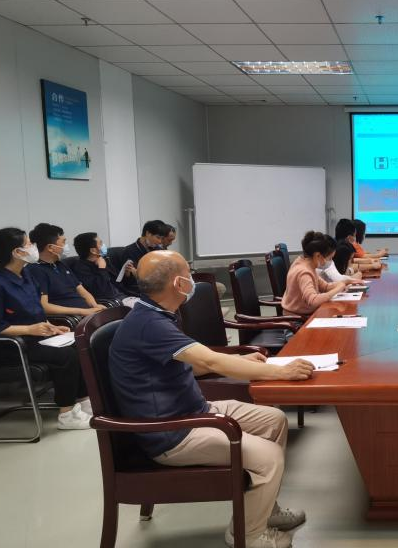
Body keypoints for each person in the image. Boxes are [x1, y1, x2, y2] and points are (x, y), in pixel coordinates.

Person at [109, 250, 312, 547]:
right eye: (188, 274)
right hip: (172, 433)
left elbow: (191, 364)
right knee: (269, 458)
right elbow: (211, 361)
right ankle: (247, 535)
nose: (192, 279)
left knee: (274, 420)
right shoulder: (149, 324)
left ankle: (264, 510)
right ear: (178, 284)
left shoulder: (157, 314)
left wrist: (243, 361)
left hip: (192, 411)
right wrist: (280, 371)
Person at [0, 228, 91, 429]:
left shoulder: (26, 275)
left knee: (77, 345)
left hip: (32, 339)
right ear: (17, 252)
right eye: (29, 244)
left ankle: (82, 401)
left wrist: (52, 327)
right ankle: (67, 415)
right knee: (65, 356)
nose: (33, 247)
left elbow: (35, 312)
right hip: (7, 347)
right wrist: (29, 330)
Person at [26, 223, 106, 317]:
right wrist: (82, 312)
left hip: (86, 313)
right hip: (71, 318)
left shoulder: (60, 265)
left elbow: (82, 291)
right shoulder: (36, 270)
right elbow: (44, 306)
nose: (66, 246)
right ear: (50, 248)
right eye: (63, 242)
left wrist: (95, 306)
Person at [281, 232, 348, 316]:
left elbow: (325, 287)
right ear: (318, 255)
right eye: (329, 258)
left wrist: (341, 284)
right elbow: (313, 301)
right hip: (297, 319)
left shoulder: (306, 264)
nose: (330, 262)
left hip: (306, 314)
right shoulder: (304, 272)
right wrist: (337, 289)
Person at [71, 232, 129, 304]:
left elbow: (117, 282)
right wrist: (101, 269)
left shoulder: (103, 260)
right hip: (112, 301)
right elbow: (101, 291)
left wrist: (127, 274)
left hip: (123, 296)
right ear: (93, 250)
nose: (103, 245)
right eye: (100, 243)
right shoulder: (81, 269)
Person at [119, 220, 168, 291]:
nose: (160, 242)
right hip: (138, 290)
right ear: (147, 233)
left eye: (162, 238)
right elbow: (127, 281)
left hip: (157, 287)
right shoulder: (129, 251)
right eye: (158, 237)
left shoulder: (158, 251)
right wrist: (131, 273)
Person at [318, 219, 363, 283]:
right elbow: (339, 279)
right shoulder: (341, 250)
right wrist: (352, 278)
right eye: (355, 235)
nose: (331, 260)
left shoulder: (336, 247)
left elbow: (342, 274)